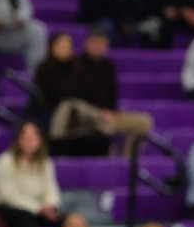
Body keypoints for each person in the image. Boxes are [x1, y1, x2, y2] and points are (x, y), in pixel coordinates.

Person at [54, 28, 153, 156]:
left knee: (144, 121)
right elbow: (75, 99)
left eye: (103, 44)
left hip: (109, 115)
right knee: (103, 128)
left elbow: (112, 93)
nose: (99, 47)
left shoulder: (109, 65)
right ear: (87, 44)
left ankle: (127, 161)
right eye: (96, 43)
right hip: (88, 117)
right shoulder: (76, 65)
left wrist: (112, 110)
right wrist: (100, 113)